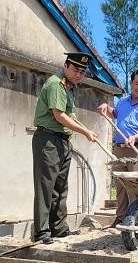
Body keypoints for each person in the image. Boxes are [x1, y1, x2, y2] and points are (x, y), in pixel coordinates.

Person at [32, 52, 98, 244]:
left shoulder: (69, 88)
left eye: (82, 71)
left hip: (62, 140)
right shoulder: (56, 84)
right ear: (66, 66)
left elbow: (70, 115)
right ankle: (42, 232)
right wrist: (85, 133)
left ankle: (59, 228)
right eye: (76, 70)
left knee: (60, 188)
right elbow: (59, 115)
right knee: (46, 187)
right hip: (48, 140)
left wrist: (84, 129)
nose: (79, 74)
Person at [98, 68, 138, 227]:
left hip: (136, 149)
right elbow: (115, 113)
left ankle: (134, 219)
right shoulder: (122, 101)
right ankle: (120, 217)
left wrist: (135, 137)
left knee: (134, 186)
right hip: (119, 148)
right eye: (137, 83)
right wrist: (106, 107)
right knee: (120, 185)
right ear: (131, 83)